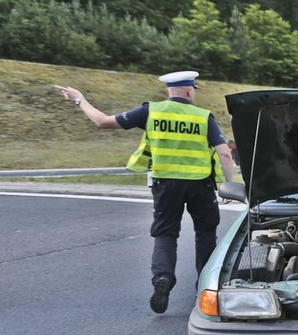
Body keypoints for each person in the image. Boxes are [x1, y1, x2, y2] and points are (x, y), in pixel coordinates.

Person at [57, 70, 238, 314]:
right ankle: (203, 287)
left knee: (165, 234)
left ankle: (162, 279)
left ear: (167, 91)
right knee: (205, 234)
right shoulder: (203, 117)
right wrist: (229, 185)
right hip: (200, 185)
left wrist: (80, 99)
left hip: (165, 185)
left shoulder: (150, 111)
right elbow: (225, 152)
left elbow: (102, 122)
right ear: (188, 90)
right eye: (193, 89)